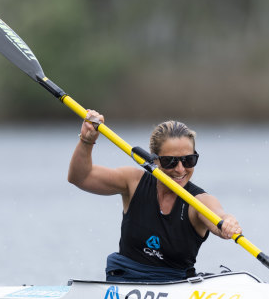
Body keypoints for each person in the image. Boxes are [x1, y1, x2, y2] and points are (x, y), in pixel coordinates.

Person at [68, 110, 242, 282]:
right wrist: (87, 140)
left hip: (174, 289)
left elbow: (218, 217)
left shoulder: (199, 201)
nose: (180, 169)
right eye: (170, 161)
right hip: (124, 283)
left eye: (188, 160)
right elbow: (80, 177)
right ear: (154, 160)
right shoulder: (133, 182)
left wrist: (228, 222)